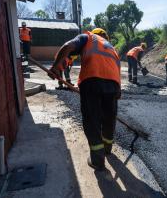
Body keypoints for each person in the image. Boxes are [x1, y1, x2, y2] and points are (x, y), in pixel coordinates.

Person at [49, 28, 121, 171]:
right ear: (105, 36)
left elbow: (68, 47)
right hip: (113, 85)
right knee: (109, 118)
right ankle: (107, 149)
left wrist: (56, 66)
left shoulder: (88, 38)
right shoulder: (112, 48)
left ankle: (97, 160)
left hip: (92, 82)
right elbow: (117, 70)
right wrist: (117, 90)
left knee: (92, 120)